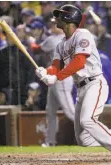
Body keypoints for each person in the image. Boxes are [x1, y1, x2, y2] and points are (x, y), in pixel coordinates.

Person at [35, 4, 111, 161]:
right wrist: (45, 72)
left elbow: (79, 62)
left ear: (69, 18)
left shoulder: (83, 34)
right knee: (83, 139)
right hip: (81, 88)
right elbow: (56, 67)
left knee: (87, 120)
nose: (57, 19)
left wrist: (56, 77)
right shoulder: (60, 45)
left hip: (95, 83)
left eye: (61, 15)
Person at [33, 18, 75, 147]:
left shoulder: (56, 39)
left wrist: (32, 40)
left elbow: (36, 49)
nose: (53, 26)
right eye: (51, 24)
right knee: (50, 111)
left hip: (61, 77)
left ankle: (94, 134)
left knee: (70, 112)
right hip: (55, 77)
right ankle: (50, 141)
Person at [0, 33, 34, 105]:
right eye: (7, 36)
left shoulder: (24, 51)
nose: (8, 38)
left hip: (22, 90)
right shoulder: (2, 52)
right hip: (5, 90)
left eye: (11, 36)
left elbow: (30, 72)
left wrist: (29, 92)